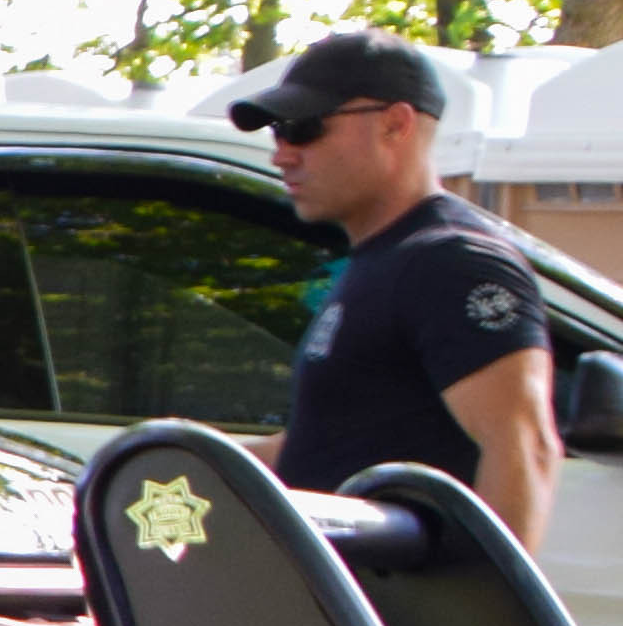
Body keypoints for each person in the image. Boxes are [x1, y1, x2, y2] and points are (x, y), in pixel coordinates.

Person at [234, 30, 559, 546]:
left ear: (395, 124)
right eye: (278, 133)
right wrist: (170, 463)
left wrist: (485, 617)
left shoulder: (452, 261)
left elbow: (524, 446)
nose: (283, 155)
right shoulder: (384, 261)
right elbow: (332, 444)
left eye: (304, 128)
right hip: (336, 603)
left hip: (404, 613)